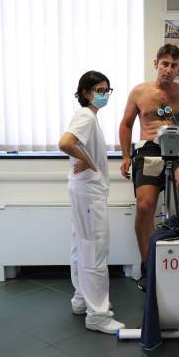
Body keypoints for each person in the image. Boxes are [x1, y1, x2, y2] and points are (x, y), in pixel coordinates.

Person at [119, 44, 179, 290]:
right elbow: (126, 124)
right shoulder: (139, 92)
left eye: (174, 65)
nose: (169, 69)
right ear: (156, 64)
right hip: (149, 147)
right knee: (145, 204)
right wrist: (126, 156)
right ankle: (146, 265)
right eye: (165, 64)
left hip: (178, 143)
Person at [58, 71, 125, 334]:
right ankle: (98, 315)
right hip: (89, 193)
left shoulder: (89, 117)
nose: (104, 94)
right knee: (95, 251)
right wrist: (85, 160)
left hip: (83, 190)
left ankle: (81, 300)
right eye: (98, 89)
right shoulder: (86, 116)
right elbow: (65, 143)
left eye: (107, 89)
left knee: (81, 246)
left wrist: (85, 159)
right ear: (85, 93)